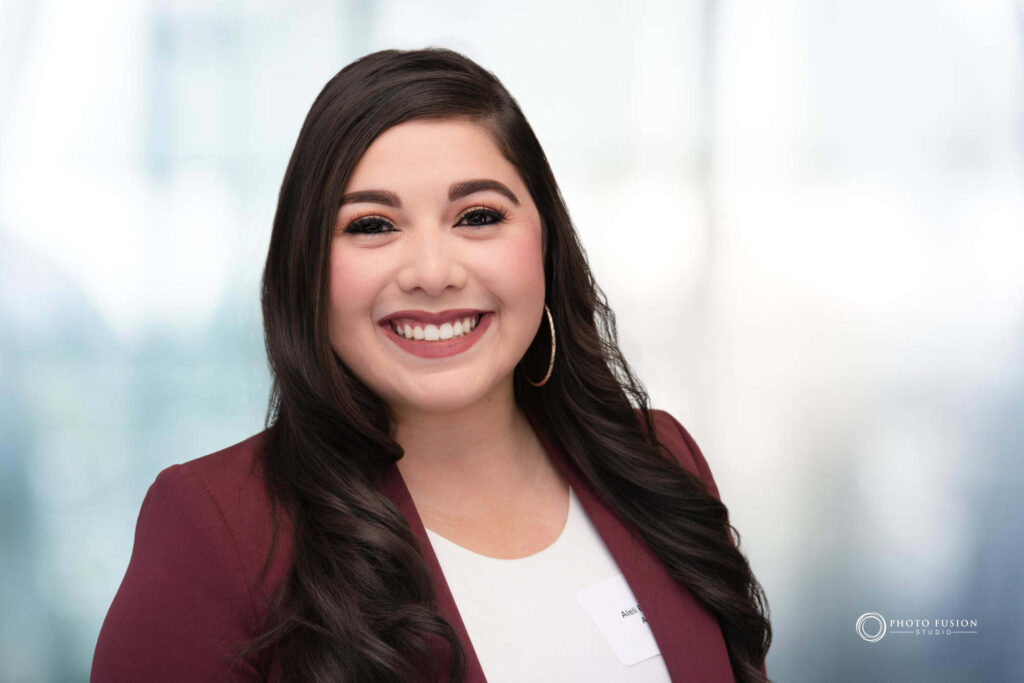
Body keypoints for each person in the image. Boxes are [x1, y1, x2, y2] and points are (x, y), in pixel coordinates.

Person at [91, 47, 771, 682]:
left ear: (546, 244)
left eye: (476, 216)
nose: (433, 272)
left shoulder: (658, 459)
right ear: (307, 269)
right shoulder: (218, 527)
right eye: (372, 225)